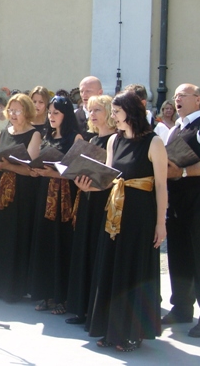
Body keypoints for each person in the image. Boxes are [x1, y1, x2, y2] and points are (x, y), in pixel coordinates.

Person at [79, 91, 167, 352]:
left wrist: (160, 223)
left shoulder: (154, 142)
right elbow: (108, 179)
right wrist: (87, 186)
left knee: (132, 271)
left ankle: (132, 333)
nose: (114, 117)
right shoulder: (114, 141)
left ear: (130, 112)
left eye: (117, 112)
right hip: (115, 213)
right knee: (111, 268)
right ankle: (110, 329)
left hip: (140, 216)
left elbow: (161, 186)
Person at [164, 83, 200, 338]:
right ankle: (181, 308)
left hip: (199, 197)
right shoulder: (175, 128)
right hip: (177, 197)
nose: (176, 99)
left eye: (182, 95)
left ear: (197, 99)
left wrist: (184, 171)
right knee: (178, 254)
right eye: (175, 96)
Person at [0, 93, 40, 300]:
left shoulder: (34, 134)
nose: (13, 114)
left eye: (17, 111)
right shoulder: (5, 132)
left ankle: (14, 287)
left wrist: (7, 165)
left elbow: (31, 169)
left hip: (22, 190)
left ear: (27, 112)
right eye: (10, 110)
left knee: (17, 235)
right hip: (1, 188)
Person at [65, 94, 117, 325]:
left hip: (104, 202)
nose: (92, 114)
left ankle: (95, 310)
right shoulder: (93, 140)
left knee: (97, 251)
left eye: (98, 110)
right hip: (87, 198)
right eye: (90, 110)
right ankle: (81, 307)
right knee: (84, 249)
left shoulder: (116, 140)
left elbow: (113, 175)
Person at [29, 95, 83, 314]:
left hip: (65, 196)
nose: (51, 116)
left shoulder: (75, 137)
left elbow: (77, 170)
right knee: (45, 241)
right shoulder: (47, 135)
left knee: (63, 241)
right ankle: (46, 293)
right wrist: (35, 169)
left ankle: (63, 297)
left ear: (66, 115)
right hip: (46, 193)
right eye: (50, 112)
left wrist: (51, 172)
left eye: (56, 113)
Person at [76, 76, 104, 141]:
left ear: (100, 93)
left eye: (88, 91)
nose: (84, 95)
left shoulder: (107, 115)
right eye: (81, 91)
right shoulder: (74, 115)